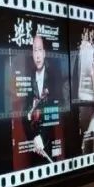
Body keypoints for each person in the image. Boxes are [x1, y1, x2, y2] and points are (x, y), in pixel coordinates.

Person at [22, 34, 60, 164]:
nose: (37, 55)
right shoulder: (28, 78)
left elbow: (54, 112)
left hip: (48, 142)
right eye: (34, 51)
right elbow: (24, 114)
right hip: (34, 146)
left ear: (44, 53)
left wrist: (42, 138)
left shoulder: (53, 76)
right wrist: (33, 138)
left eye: (39, 50)